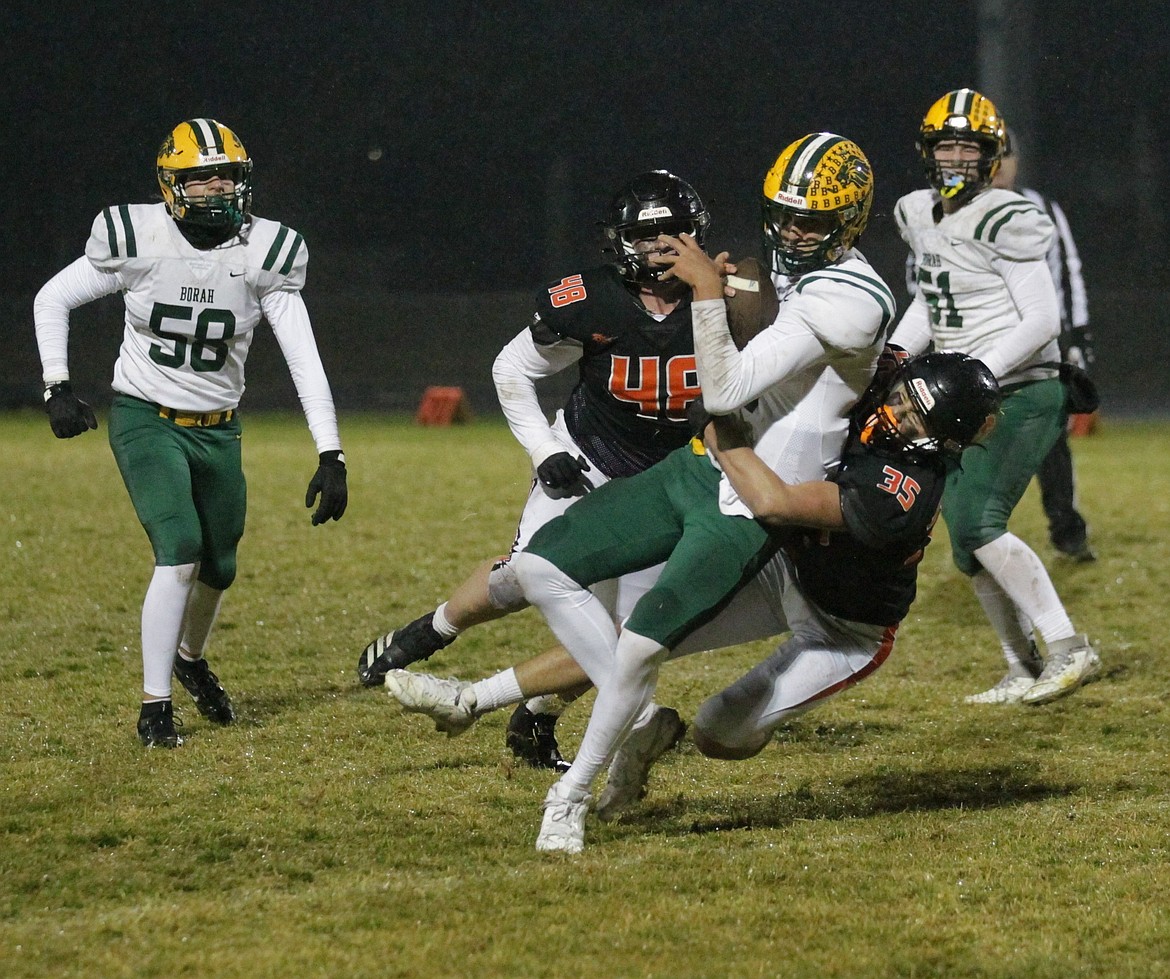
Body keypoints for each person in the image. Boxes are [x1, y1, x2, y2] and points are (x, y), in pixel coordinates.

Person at [452, 132, 894, 853]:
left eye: (809, 220)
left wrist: (713, 294)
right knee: (539, 564)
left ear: (849, 221)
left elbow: (721, 386)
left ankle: (569, 793)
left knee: (637, 647)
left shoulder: (850, 300)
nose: (788, 232)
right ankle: (583, 712)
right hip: (704, 461)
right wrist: (731, 292)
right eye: (781, 214)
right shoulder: (797, 271)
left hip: (755, 498)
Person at [387, 353, 1002, 829]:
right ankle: (469, 700)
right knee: (634, 639)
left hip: (845, 622)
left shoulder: (906, 490)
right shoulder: (876, 374)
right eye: (901, 397)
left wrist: (715, 424)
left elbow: (775, 499)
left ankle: (646, 734)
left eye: (916, 416)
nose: (896, 411)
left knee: (718, 734)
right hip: (784, 567)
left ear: (942, 438)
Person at [356, 171, 713, 770]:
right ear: (620, 242)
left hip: (667, 482)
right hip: (591, 459)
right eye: (643, 236)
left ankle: (536, 716)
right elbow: (510, 370)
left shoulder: (727, 302)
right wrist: (545, 449)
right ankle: (430, 631)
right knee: (522, 576)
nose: (658, 249)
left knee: (624, 637)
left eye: (672, 234)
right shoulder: (594, 301)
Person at [33, 118, 348, 748]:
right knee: (179, 547)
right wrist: (58, 384)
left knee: (221, 564)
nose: (215, 188)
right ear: (171, 186)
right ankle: (155, 705)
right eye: (199, 177)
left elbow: (302, 357)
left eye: (226, 175)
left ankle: (190, 659)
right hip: (145, 415)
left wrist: (330, 450)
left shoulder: (266, 251)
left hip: (219, 429)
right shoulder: (139, 238)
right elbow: (52, 297)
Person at [888, 88, 1100, 707]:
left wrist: (980, 370)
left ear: (991, 155)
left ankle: (1067, 648)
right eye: (946, 145)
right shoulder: (919, 213)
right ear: (927, 152)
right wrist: (895, 357)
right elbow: (933, 300)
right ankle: (1022, 665)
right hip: (967, 389)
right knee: (963, 536)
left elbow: (1042, 318)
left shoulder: (1008, 216)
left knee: (979, 519)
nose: (956, 157)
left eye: (968, 146)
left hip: (1023, 388)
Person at [992, 130, 1096, 561]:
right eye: (989, 156)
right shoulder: (953, 212)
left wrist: (1077, 341)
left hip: (1038, 348)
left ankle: (1067, 531)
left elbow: (1067, 273)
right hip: (982, 344)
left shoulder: (1041, 208)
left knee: (1051, 440)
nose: (998, 165)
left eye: (1005, 155)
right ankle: (976, 532)